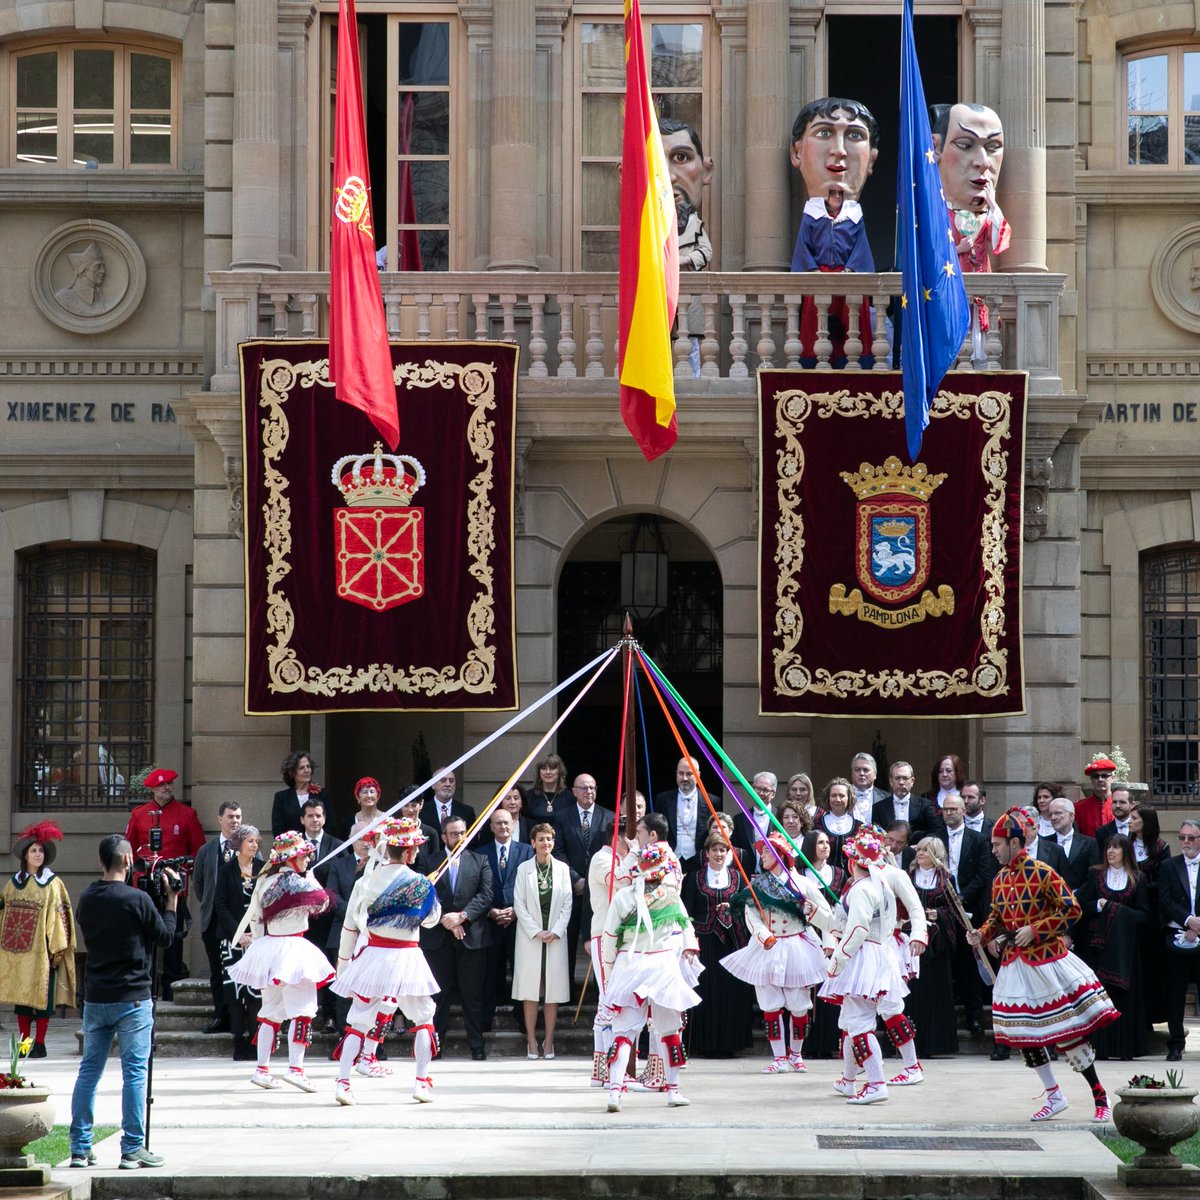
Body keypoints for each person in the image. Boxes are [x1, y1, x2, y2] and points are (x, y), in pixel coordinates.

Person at [967, 807, 1118, 1122]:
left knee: (1067, 1034)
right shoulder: (999, 879)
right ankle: (1054, 1096)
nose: (992, 850)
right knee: (1025, 1036)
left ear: (1013, 842)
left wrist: (1034, 929)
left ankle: (1098, 1095)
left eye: (997, 845)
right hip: (1015, 966)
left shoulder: (1042, 871)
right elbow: (997, 917)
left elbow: (1072, 909)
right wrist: (980, 934)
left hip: (1047, 961)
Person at [69, 833, 178, 1171]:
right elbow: (165, 937)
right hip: (132, 998)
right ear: (128, 861)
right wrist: (171, 902)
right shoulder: (137, 899)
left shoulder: (87, 898)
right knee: (134, 1073)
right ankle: (132, 1148)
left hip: (97, 996)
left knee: (89, 1071)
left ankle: (79, 1148)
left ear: (102, 862)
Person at [332, 817, 442, 1105]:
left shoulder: (365, 881)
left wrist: (343, 965)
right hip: (406, 956)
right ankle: (420, 1082)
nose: (417, 851)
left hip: (374, 956)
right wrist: (430, 896)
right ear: (407, 852)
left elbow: (350, 927)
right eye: (415, 847)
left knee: (358, 1020)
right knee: (423, 1019)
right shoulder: (419, 882)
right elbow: (431, 921)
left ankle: (343, 1083)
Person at [229, 830, 334, 1092]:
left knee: (270, 1010)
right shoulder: (299, 882)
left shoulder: (264, 882)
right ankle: (295, 1069)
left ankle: (262, 1068)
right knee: (303, 1009)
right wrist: (310, 878)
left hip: (269, 948)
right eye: (304, 856)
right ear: (292, 858)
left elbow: (256, 918)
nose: (308, 860)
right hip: (293, 948)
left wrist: (262, 947)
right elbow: (322, 903)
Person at [721, 831, 833, 1073]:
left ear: (780, 854)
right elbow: (751, 915)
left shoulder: (803, 884)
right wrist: (762, 935)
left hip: (797, 946)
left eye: (766, 851)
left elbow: (827, 915)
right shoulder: (758, 885)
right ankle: (779, 1057)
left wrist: (829, 941)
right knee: (770, 1004)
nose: (761, 855)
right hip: (768, 946)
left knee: (798, 1004)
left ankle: (796, 1054)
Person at [602, 841, 700, 1112]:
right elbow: (686, 925)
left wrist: (610, 972)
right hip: (660, 965)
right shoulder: (670, 895)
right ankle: (673, 1089)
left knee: (624, 1031)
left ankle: (615, 1092)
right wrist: (690, 948)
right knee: (670, 1030)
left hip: (631, 965)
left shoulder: (624, 897)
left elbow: (609, 939)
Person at [788, 97, 878, 367]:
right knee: (816, 330)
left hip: (849, 284)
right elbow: (803, 247)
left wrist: (852, 270)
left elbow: (861, 248)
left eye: (854, 135)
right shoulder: (812, 216)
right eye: (824, 133)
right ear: (797, 153)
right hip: (820, 283)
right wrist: (811, 272)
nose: (839, 151)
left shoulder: (854, 217)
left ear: (872, 158)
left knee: (853, 332)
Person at [818, 828, 904, 1105]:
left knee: (858, 1024)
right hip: (874, 953)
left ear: (852, 862)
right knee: (851, 1020)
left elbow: (856, 929)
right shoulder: (877, 887)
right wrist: (817, 915)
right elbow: (843, 923)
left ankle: (877, 1083)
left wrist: (838, 961)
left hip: (862, 956)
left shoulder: (862, 889)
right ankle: (848, 1080)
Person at [931, 102, 1009, 364]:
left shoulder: (988, 217)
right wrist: (959, 250)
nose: (983, 163)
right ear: (935, 148)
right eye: (965, 145)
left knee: (979, 352)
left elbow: (999, 244)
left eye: (993, 147)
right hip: (947, 301)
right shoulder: (936, 215)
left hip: (979, 300)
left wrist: (994, 205)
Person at [123, 767, 205, 999]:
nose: (166, 788)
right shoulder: (139, 814)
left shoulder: (187, 814)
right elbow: (128, 850)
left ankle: (170, 987)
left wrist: (182, 873)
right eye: (161, 785)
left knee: (174, 937)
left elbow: (198, 850)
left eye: (169, 784)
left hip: (173, 885)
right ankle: (145, 987)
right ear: (152, 789)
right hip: (145, 886)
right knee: (145, 936)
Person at [0, 821, 76, 1058]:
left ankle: (40, 1044)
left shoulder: (53, 884)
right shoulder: (13, 884)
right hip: (17, 952)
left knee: (43, 1001)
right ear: (25, 855)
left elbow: (61, 914)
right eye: (33, 850)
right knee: (22, 999)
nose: (38, 854)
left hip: (43, 950)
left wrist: (58, 947)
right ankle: (24, 1044)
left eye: (41, 850)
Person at [422, 815, 494, 1060]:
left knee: (472, 995)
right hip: (437, 939)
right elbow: (425, 895)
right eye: (454, 834)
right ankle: (435, 1046)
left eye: (463, 832)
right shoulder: (428, 861)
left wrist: (462, 917)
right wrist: (448, 920)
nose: (460, 837)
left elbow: (485, 895)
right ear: (443, 837)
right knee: (438, 996)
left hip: (471, 938)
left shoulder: (480, 860)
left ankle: (477, 1046)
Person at [1076, 835, 1150, 1060]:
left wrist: (1118, 911)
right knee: (1100, 997)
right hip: (1098, 948)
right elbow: (1081, 908)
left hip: (1125, 950)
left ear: (1125, 852)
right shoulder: (1095, 874)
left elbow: (1144, 915)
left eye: (1116, 848)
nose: (1111, 851)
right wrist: (1098, 907)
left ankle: (1125, 1047)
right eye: (1108, 847)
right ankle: (1102, 1048)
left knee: (1123, 997)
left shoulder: (1138, 878)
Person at [682, 832, 754, 1059]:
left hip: (732, 942)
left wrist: (730, 912)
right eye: (715, 850)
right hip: (706, 944)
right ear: (707, 853)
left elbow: (747, 910)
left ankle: (729, 1043)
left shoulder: (738, 876)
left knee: (730, 992)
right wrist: (689, 943)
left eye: (723, 850)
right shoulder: (694, 878)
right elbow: (687, 913)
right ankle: (705, 1044)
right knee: (707, 991)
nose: (719, 854)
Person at [512, 822, 572, 1059]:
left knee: (552, 990)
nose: (545, 843)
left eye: (549, 839)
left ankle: (548, 1040)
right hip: (531, 937)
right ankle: (531, 1040)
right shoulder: (523, 869)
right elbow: (519, 903)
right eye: (541, 839)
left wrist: (555, 931)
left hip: (555, 937)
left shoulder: (563, 869)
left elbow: (567, 903)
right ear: (532, 843)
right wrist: (537, 931)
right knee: (530, 990)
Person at [660, 117, 713, 376]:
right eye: (655, 161)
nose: (669, 177)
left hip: (690, 295)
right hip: (659, 296)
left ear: (706, 170)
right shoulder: (649, 228)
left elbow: (706, 251)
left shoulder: (694, 224)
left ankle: (693, 379)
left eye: (681, 157)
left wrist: (682, 261)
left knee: (691, 343)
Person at [552, 773, 613, 985]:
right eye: (584, 788)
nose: (589, 792)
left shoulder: (608, 816)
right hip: (571, 889)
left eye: (592, 788)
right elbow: (557, 852)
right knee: (568, 941)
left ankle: (600, 988)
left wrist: (593, 881)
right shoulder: (561, 816)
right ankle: (566, 991)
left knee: (599, 939)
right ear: (574, 791)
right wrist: (576, 879)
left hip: (599, 891)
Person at [905, 837, 959, 1058]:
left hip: (937, 946)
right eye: (918, 849)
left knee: (936, 993)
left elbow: (956, 911)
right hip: (911, 942)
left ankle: (936, 1044)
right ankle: (910, 1043)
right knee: (913, 992)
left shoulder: (946, 879)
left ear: (935, 852)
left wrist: (939, 914)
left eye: (925, 850)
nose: (920, 853)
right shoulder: (907, 877)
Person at [214, 823, 264, 1061]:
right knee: (234, 993)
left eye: (257, 841)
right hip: (232, 940)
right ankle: (239, 1042)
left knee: (255, 993)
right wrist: (238, 934)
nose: (255, 845)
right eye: (250, 841)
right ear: (239, 844)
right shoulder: (226, 870)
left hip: (258, 940)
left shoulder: (264, 869)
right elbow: (220, 905)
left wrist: (255, 934)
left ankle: (255, 1041)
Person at [481, 806, 534, 1030]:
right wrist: (490, 910)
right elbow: (477, 886)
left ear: (513, 826)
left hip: (518, 921)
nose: (503, 826)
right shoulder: (481, 852)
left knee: (521, 970)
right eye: (498, 823)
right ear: (491, 827)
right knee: (490, 972)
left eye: (507, 822)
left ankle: (523, 1020)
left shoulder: (526, 851)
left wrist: (515, 909)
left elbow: (531, 886)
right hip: (490, 922)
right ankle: (485, 1021)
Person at [191, 801, 242, 1034]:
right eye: (230, 817)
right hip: (213, 920)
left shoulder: (249, 847)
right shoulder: (206, 851)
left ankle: (238, 1017)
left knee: (238, 970)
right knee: (216, 970)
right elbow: (199, 885)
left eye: (238, 817)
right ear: (220, 819)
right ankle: (220, 1015)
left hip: (240, 922)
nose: (235, 821)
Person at [1159, 817, 1200, 1062]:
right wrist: (1188, 921)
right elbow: (1165, 900)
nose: (1185, 842)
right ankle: (1175, 1044)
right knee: (1175, 994)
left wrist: (1198, 925)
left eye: (1190, 837)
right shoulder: (1169, 866)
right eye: (1182, 837)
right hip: (1177, 937)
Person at [872, 761, 944, 845]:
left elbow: (937, 831)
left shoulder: (925, 805)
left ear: (912, 781)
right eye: (897, 778)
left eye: (905, 778)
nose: (901, 782)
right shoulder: (878, 807)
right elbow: (875, 834)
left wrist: (921, 845)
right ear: (891, 781)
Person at [654, 756, 705, 873]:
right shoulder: (663, 799)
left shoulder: (712, 802)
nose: (684, 778)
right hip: (669, 859)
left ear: (698, 775)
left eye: (689, 774)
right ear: (676, 774)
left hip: (698, 862)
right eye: (681, 773)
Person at [1047, 796, 1100, 892]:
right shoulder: (1045, 843)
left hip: (1081, 900)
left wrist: (1077, 896)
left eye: (1057, 813)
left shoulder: (1089, 843)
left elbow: (1094, 876)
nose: (1053, 818)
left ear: (1071, 816)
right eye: (1051, 814)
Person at [271, 751, 322, 838]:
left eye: (308, 767)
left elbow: (330, 826)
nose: (306, 770)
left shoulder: (323, 795)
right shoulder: (281, 797)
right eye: (301, 768)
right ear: (292, 773)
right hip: (292, 848)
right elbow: (278, 829)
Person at [813, 776, 862, 865]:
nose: (837, 799)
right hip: (824, 876)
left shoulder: (859, 827)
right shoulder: (816, 824)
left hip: (853, 877)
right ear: (828, 798)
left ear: (849, 798)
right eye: (833, 795)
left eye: (842, 796)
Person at [55, 242, 112, 317]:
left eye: (103, 266)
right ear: (83, 270)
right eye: (98, 266)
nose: (103, 271)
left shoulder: (100, 296)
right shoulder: (63, 297)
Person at [420, 768, 478, 832]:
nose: (448, 784)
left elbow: (472, 840)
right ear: (433, 785)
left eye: (451, 781)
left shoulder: (467, 811)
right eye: (443, 780)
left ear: (455, 785)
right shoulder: (421, 811)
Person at [1077, 755, 1117, 839]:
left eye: (1104, 776)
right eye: (1095, 776)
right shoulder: (1079, 808)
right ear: (1091, 779)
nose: (1100, 779)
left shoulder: (1121, 805)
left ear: (1113, 777)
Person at [525, 753, 572, 822]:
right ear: (539, 772)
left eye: (552, 768)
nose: (548, 772)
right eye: (544, 769)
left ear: (559, 772)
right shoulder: (528, 796)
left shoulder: (570, 798)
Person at [342, 775, 383, 843]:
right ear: (358, 797)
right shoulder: (347, 823)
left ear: (378, 796)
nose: (369, 796)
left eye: (372, 792)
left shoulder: (388, 819)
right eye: (364, 792)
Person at [849, 753, 888, 824]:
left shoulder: (887, 798)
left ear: (875, 774)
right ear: (852, 773)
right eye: (857, 770)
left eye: (866, 770)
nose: (861, 773)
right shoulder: (841, 796)